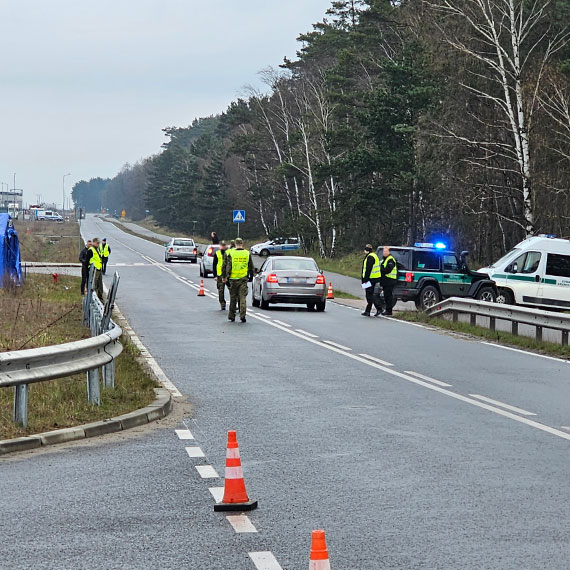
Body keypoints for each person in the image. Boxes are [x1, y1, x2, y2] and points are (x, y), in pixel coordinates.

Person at [223, 237, 254, 323]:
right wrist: (251, 275)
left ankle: (232, 316)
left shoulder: (231, 253)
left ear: (235, 244)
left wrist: (225, 277)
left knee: (233, 298)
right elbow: (250, 266)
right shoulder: (247, 253)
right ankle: (242, 315)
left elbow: (227, 266)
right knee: (242, 298)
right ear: (242, 244)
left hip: (233, 279)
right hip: (243, 279)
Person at [361, 244, 382, 317]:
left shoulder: (370, 257)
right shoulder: (373, 255)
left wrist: (365, 280)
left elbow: (368, 270)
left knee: (369, 295)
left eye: (365, 249)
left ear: (367, 250)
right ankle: (367, 311)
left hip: (370, 279)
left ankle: (379, 308)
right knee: (369, 295)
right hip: (373, 278)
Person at [380, 246, 398, 316]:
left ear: (389, 252)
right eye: (383, 251)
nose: (384, 253)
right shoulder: (384, 259)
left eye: (386, 251)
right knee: (386, 296)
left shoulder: (390, 260)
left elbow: (388, 270)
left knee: (388, 296)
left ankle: (389, 310)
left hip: (390, 280)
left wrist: (381, 269)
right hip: (385, 281)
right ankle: (387, 310)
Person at [213, 240, 229, 310]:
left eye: (224, 245)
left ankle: (234, 304)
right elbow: (214, 264)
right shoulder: (217, 253)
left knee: (233, 291)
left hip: (228, 275)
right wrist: (215, 275)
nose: (223, 247)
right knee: (221, 291)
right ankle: (222, 303)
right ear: (220, 246)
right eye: (222, 246)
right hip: (220, 275)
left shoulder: (229, 253)